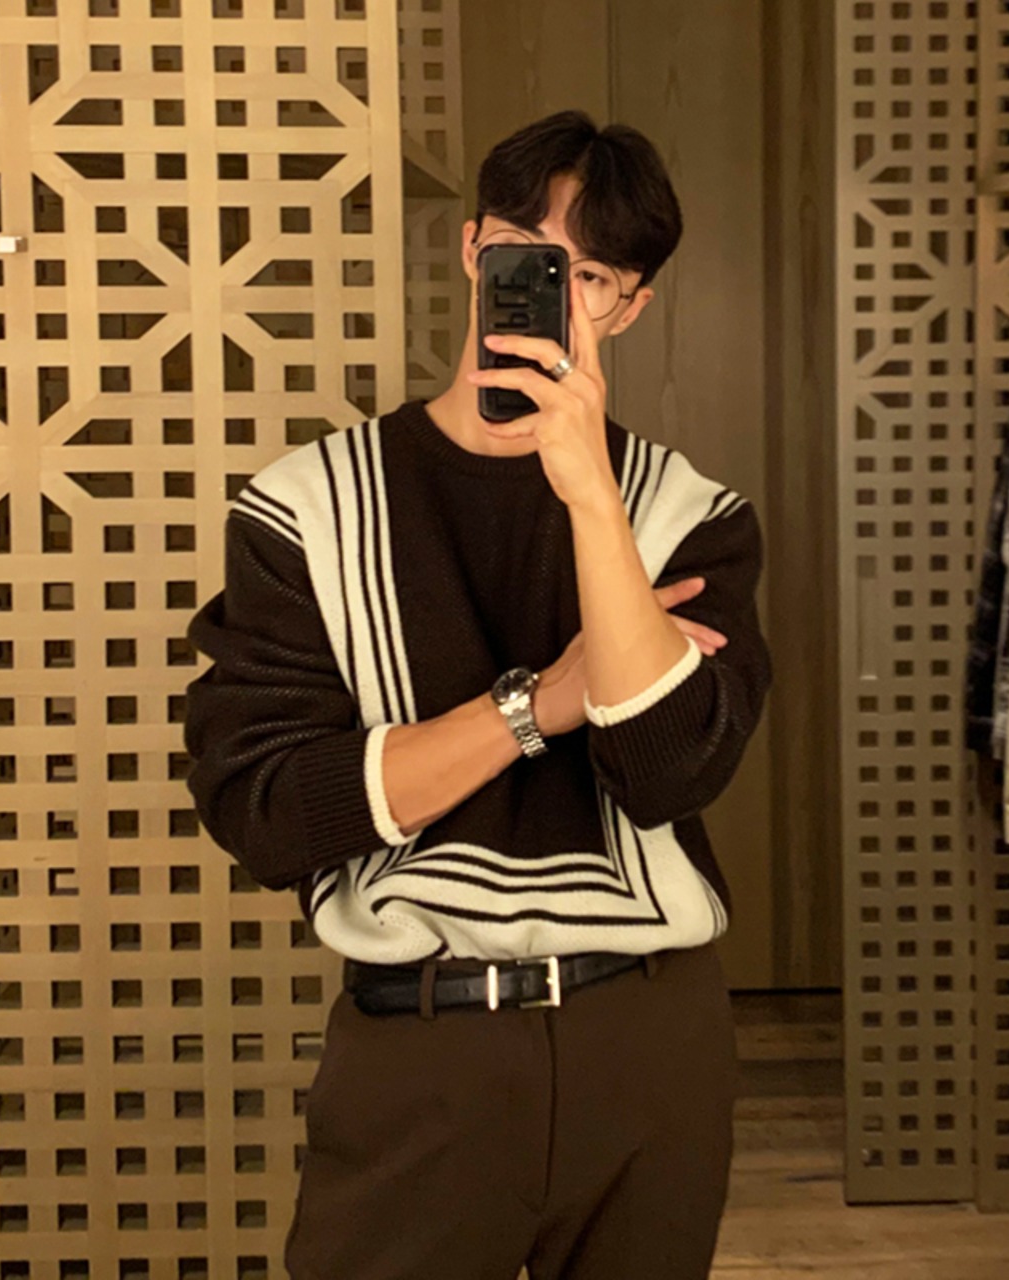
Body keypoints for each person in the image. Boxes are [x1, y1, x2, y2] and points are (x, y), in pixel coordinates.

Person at [184, 109, 773, 1280]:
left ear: (627, 306)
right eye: (525, 254)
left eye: (588, 274)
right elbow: (269, 810)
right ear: (471, 250)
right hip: (421, 1041)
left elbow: (669, 772)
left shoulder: (686, 514)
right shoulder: (306, 505)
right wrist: (533, 706)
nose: (554, 291)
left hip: (648, 1034)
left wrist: (591, 497)